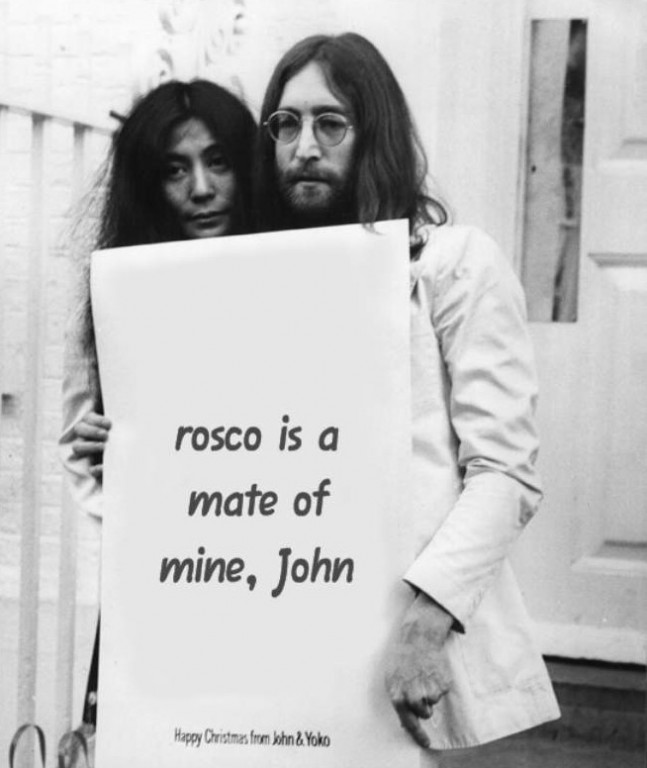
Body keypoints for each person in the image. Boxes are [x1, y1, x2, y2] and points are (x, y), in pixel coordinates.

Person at [255, 32, 560, 759]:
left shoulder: (455, 264)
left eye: (330, 122)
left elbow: (504, 473)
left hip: (404, 632)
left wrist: (424, 629)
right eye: (286, 124)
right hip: (283, 618)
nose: (304, 146)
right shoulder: (254, 276)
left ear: (375, 134)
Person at [59, 78, 257, 730]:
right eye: (175, 169)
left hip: (277, 577)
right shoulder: (117, 297)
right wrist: (101, 454)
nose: (200, 188)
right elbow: (80, 447)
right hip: (163, 584)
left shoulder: (298, 279)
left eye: (218, 162)